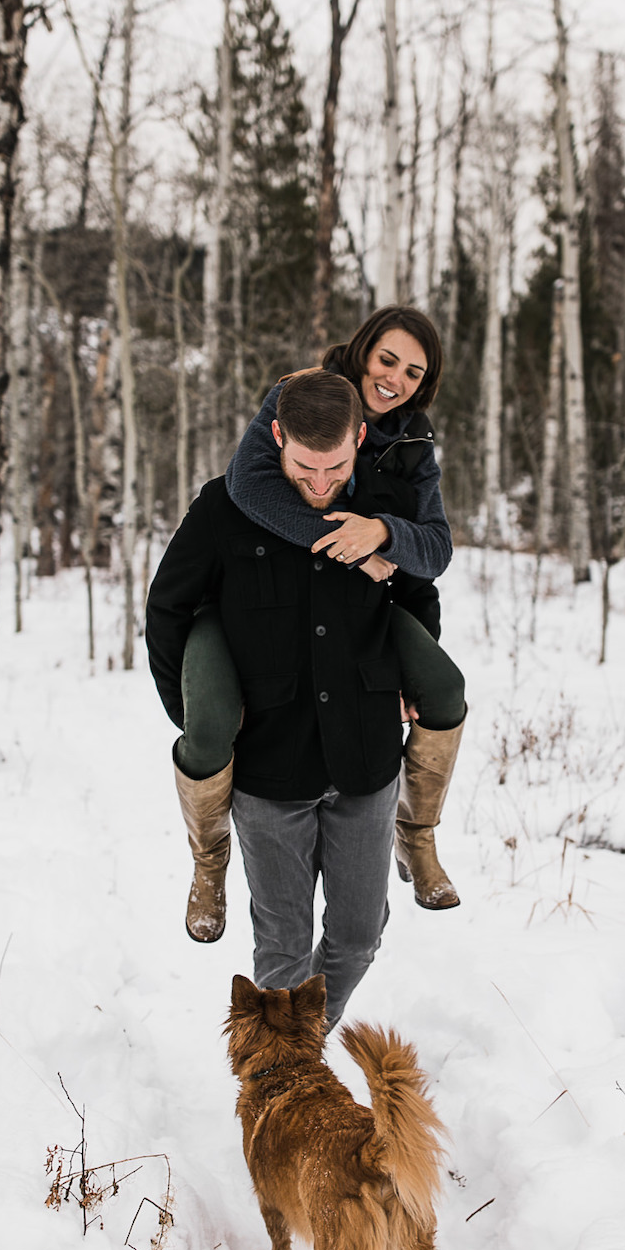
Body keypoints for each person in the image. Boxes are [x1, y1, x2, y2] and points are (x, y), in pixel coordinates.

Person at [145, 370, 439, 1026]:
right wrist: (194, 717)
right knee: (280, 949)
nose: (319, 481)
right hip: (269, 770)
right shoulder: (224, 508)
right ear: (276, 435)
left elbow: (418, 595)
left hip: (365, 758)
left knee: (359, 936)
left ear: (360, 437)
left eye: (335, 465)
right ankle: (284, 1096)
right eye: (305, 465)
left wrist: (411, 682)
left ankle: (288, 1053)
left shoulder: (384, 507)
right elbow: (167, 608)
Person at [167, 306, 468, 943]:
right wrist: (343, 545)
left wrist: (383, 532)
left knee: (445, 688)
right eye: (387, 359)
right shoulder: (298, 397)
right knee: (211, 721)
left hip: (372, 586)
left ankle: (417, 837)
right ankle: (208, 860)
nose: (395, 378)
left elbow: (428, 560)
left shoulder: (412, 444)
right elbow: (249, 487)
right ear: (361, 351)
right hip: (260, 603)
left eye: (414, 371)